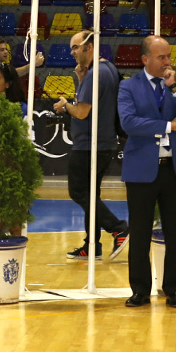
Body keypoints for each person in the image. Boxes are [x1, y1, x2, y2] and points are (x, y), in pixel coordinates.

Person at [117, 35, 176, 308]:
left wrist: (175, 89)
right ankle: (140, 290)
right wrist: (167, 127)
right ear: (145, 59)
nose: (168, 62)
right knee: (140, 232)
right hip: (141, 170)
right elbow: (129, 123)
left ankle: (174, 289)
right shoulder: (128, 86)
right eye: (161, 57)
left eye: (168, 56)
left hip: (175, 170)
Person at [53, 31, 129, 262]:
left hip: (89, 145)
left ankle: (118, 228)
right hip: (104, 143)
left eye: (75, 47)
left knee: (78, 191)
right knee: (90, 195)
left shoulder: (95, 74)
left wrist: (65, 105)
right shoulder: (108, 70)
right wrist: (80, 79)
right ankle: (92, 246)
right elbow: (93, 104)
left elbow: (82, 111)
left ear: (89, 47)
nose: (73, 52)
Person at [0, 37, 44, 111]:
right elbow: (12, 73)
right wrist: (32, 64)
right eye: (2, 50)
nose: (6, 52)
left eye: (6, 49)